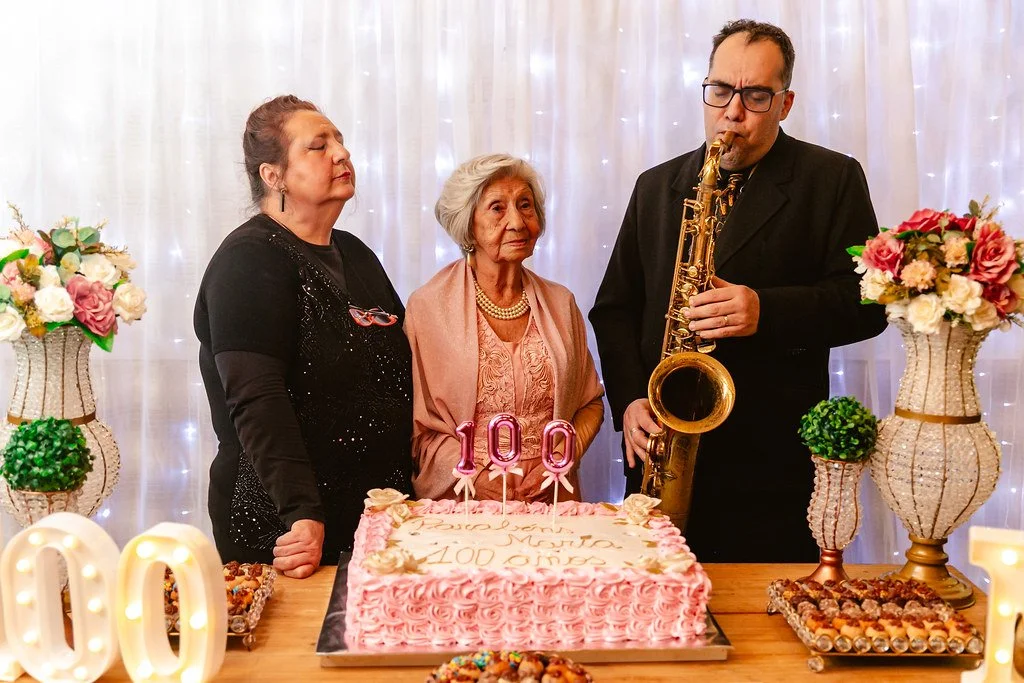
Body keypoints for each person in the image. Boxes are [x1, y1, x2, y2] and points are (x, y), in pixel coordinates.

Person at [589, 20, 887, 562]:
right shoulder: (657, 185)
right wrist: (631, 399)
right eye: (720, 90)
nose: (732, 112)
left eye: (755, 96)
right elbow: (614, 309)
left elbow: (867, 303)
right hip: (662, 447)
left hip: (769, 463)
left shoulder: (832, 178)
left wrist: (765, 310)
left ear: (785, 103)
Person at [194, 95, 412, 578]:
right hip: (284, 525)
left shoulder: (356, 255)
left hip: (369, 519)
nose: (341, 153)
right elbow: (257, 399)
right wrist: (301, 512)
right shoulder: (248, 261)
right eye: (319, 146)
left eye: (340, 141)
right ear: (273, 176)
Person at [406, 154, 604, 502]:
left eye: (525, 205)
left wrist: (562, 456)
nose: (517, 221)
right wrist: (478, 479)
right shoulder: (428, 307)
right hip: (464, 501)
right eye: (497, 208)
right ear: (468, 226)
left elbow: (590, 405)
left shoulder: (561, 303)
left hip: (551, 499)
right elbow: (420, 430)